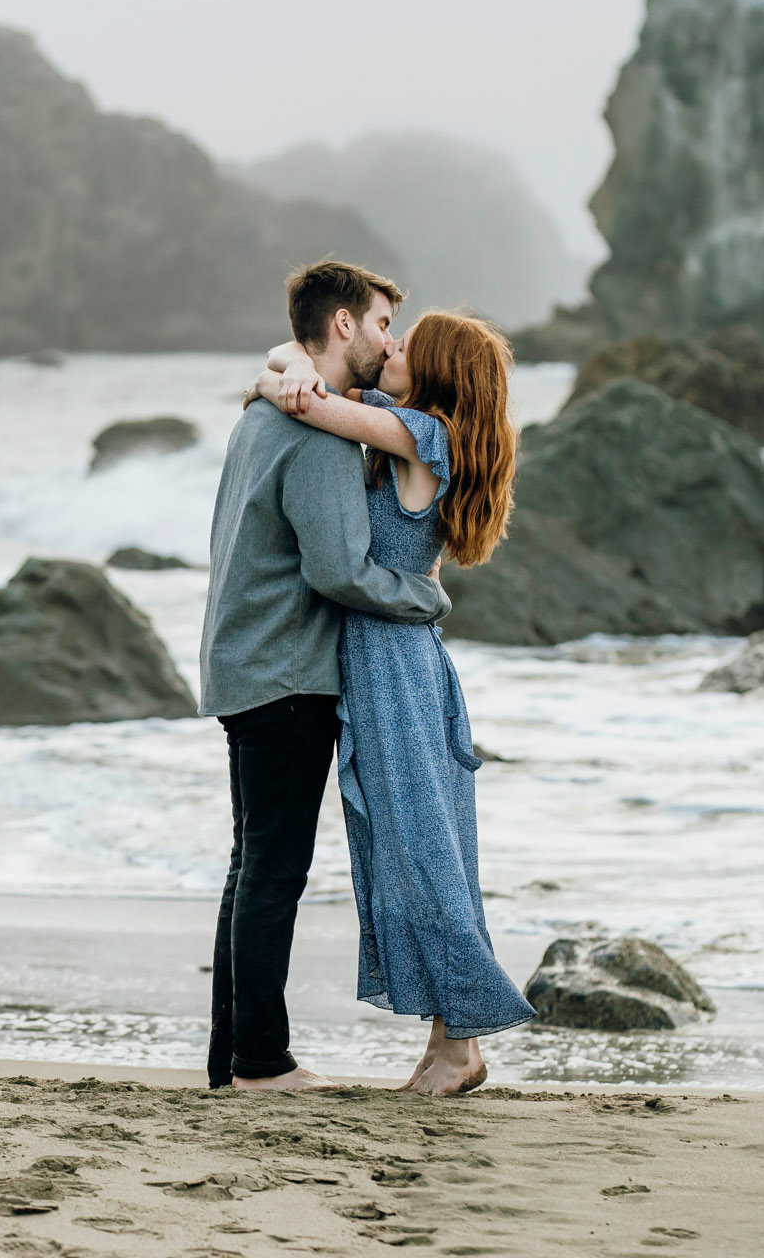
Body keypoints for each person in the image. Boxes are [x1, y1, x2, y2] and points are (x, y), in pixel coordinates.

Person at [252, 308, 535, 1095]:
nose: (389, 348)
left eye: (406, 345)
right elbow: (290, 367)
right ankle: (447, 1045)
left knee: (421, 851)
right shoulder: (403, 427)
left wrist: (293, 376)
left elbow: (293, 394)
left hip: (396, 666)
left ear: (437, 370)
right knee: (413, 847)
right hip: (393, 660)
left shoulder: (422, 436)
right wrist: (296, 364)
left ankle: (464, 1040)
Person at [199, 260, 453, 1092]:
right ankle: (262, 1065)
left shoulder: (263, 411)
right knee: (274, 871)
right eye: (382, 324)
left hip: (244, 661)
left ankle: (232, 1060)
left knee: (252, 864)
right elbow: (340, 569)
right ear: (343, 326)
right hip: (287, 672)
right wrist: (424, 599)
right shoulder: (314, 433)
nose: (389, 340)